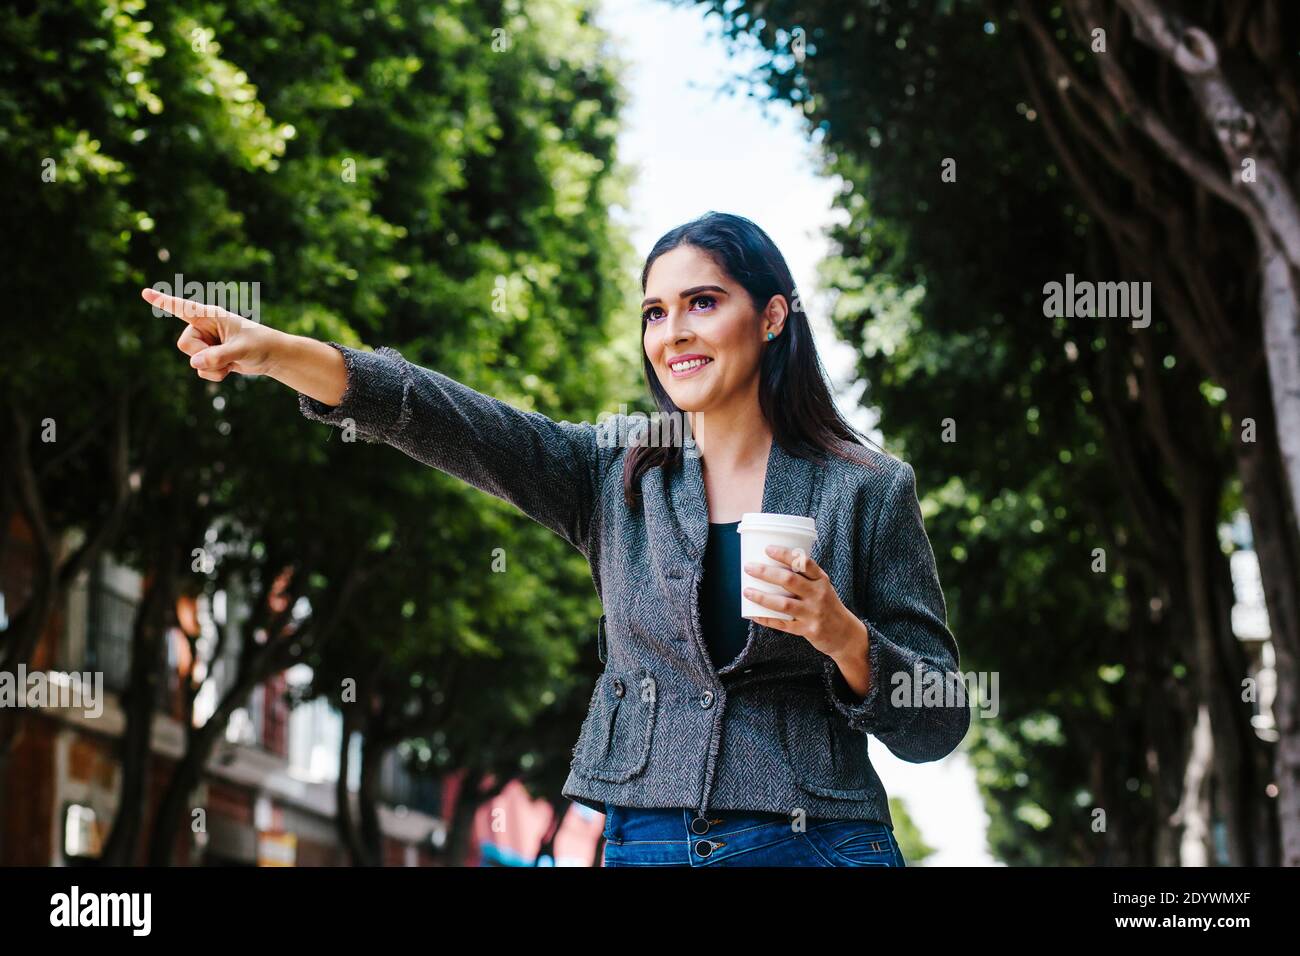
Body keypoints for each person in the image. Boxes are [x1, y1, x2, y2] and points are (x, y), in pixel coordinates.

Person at [141, 210, 968, 867]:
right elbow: (447, 418)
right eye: (655, 311)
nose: (673, 332)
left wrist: (844, 636)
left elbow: (938, 719)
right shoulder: (616, 474)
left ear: (774, 316)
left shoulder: (866, 488)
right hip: (644, 843)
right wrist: (282, 353)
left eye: (703, 303)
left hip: (814, 843)